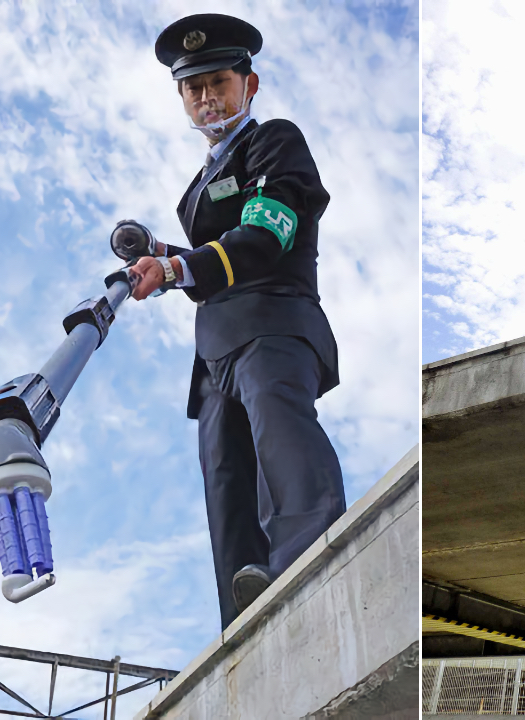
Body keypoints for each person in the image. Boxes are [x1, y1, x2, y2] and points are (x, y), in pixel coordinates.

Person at [122, 13, 346, 630]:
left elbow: (263, 234)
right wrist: (164, 259)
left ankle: (310, 563)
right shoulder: (195, 190)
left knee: (282, 440)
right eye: (193, 88)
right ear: (182, 101)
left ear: (249, 84)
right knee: (226, 484)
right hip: (213, 355)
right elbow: (207, 265)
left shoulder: (274, 140)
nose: (206, 96)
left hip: (273, 325)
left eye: (218, 81)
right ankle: (242, 620)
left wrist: (175, 270)